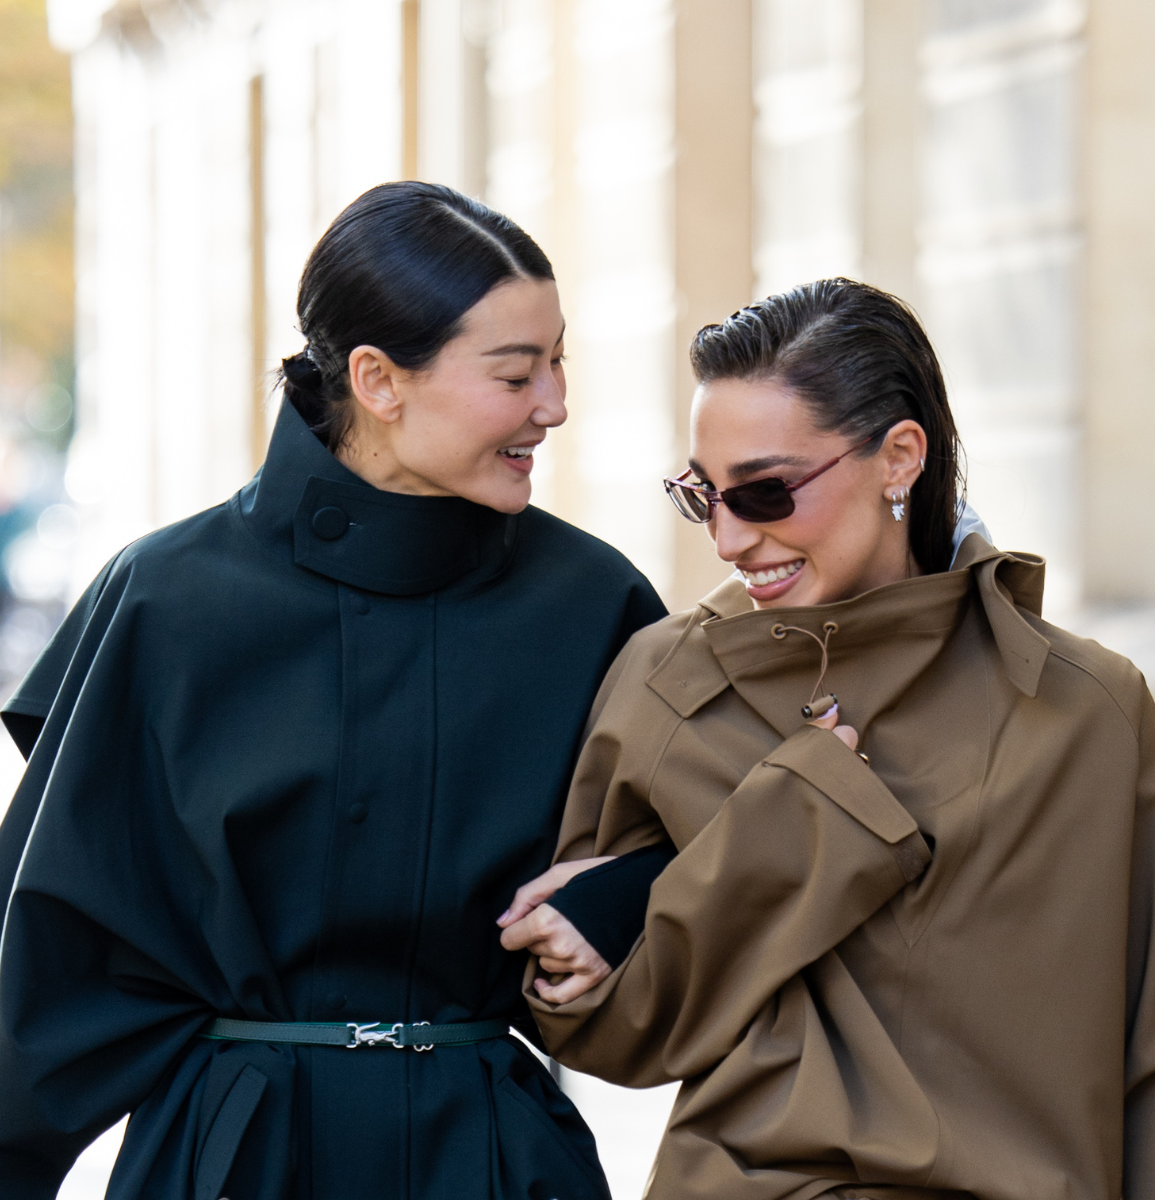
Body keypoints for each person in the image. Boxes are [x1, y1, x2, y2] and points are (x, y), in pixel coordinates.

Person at [0, 182, 666, 1200]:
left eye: (559, 362)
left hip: (492, 1160)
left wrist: (621, 898)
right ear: (379, 379)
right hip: (233, 1162)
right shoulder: (166, 600)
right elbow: (47, 953)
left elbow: (710, 841)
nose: (555, 405)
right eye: (516, 373)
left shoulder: (594, 602)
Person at [500, 279, 1155, 1199]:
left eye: (764, 492)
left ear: (898, 457)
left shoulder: (1085, 711)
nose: (727, 537)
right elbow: (609, 1032)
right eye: (701, 496)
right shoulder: (670, 688)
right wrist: (782, 832)